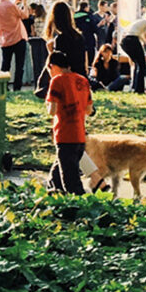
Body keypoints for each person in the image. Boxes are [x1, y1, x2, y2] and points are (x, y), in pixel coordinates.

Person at [45, 51, 93, 195]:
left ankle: (82, 208)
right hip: (79, 136)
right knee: (58, 172)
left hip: (64, 135)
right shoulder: (83, 80)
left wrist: (48, 105)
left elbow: (52, 111)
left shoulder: (57, 81)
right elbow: (89, 110)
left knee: (71, 183)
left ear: (52, 66)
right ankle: (51, 193)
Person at [0, 0, 30, 91]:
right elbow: (24, 15)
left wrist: (14, 4)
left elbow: (7, 14)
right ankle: (17, 87)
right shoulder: (11, 5)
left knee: (5, 65)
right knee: (19, 65)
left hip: (5, 39)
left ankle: (3, 86)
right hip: (17, 37)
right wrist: (25, 4)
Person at [119, 11, 146, 94]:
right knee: (142, 66)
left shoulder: (141, 23)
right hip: (132, 40)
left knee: (137, 64)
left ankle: (135, 87)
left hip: (124, 41)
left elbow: (144, 39)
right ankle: (139, 89)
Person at [45, 1, 88, 77]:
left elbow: (57, 67)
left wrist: (51, 52)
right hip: (81, 77)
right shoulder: (79, 37)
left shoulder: (60, 39)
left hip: (67, 79)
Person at [73, 2, 100, 67]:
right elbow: (94, 28)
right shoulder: (89, 16)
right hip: (89, 39)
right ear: (85, 8)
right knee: (90, 57)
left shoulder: (74, 16)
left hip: (77, 38)